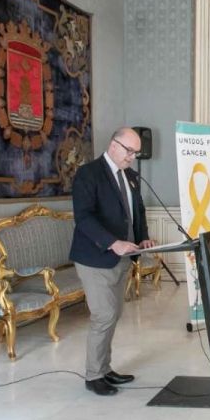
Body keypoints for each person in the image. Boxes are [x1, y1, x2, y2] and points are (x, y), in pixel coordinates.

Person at [70, 127, 156, 396]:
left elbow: (137, 210)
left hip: (122, 257)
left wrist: (143, 238)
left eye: (136, 153)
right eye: (129, 151)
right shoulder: (88, 174)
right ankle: (93, 375)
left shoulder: (130, 176)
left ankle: (105, 369)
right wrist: (112, 242)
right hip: (95, 257)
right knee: (104, 315)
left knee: (114, 314)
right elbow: (84, 218)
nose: (132, 157)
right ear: (114, 145)